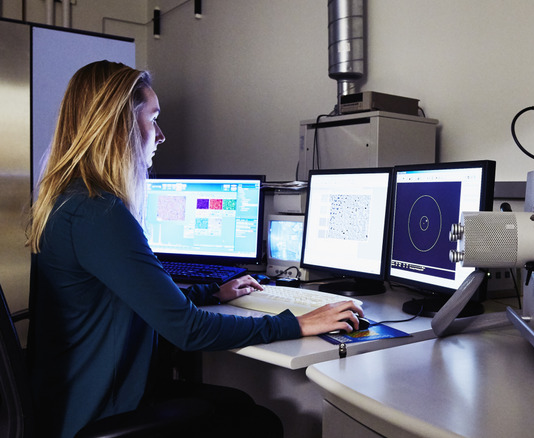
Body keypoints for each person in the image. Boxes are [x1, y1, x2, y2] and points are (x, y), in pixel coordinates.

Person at [25, 60, 364, 438]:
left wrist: (210, 292)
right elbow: (188, 331)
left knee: (241, 405)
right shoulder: (98, 213)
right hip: (100, 412)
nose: (160, 134)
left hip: (71, 402)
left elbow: (122, 296)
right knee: (262, 422)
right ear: (119, 126)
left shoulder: (68, 202)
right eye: (153, 118)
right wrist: (298, 323)